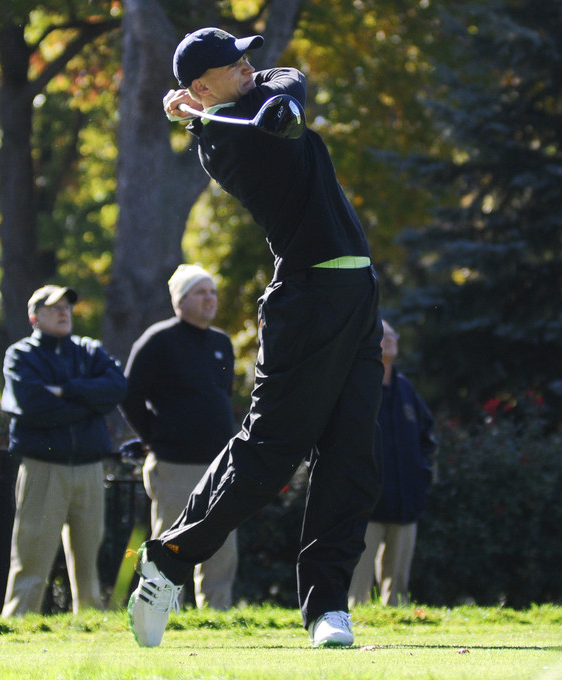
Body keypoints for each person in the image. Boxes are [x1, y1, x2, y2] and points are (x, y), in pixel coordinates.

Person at [128, 27, 384, 648]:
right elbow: (257, 106)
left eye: (245, 58)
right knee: (271, 451)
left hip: (356, 293)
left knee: (353, 455)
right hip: (307, 300)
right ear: (201, 86)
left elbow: (288, 77)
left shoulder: (265, 103)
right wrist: (220, 116)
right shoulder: (226, 143)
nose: (247, 66)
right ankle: (168, 559)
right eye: (231, 64)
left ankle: (328, 607)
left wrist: (279, 106)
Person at [0, 284, 126, 617]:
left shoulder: (89, 351)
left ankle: (88, 625)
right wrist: (89, 405)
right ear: (34, 316)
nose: (63, 313)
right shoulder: (21, 355)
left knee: (89, 560)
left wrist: (66, 390)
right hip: (44, 468)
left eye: (67, 307)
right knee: (32, 556)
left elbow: (117, 387)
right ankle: (17, 626)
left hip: (89, 468)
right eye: (54, 307)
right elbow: (31, 404)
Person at [120, 264, 239, 611]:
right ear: (179, 301)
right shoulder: (159, 339)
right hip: (174, 463)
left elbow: (223, 395)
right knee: (171, 544)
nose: (209, 298)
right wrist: (154, 436)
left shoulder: (222, 343)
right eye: (200, 292)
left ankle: (217, 614)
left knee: (223, 543)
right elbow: (129, 395)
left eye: (212, 292)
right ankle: (163, 612)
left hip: (220, 464)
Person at [348, 320, 436, 607]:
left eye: (392, 335)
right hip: (365, 506)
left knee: (398, 592)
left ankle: (396, 627)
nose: (388, 340)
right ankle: (351, 628)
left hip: (405, 505)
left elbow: (427, 436)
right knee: (356, 592)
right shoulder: (357, 385)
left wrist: (423, 475)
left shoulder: (406, 389)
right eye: (381, 335)